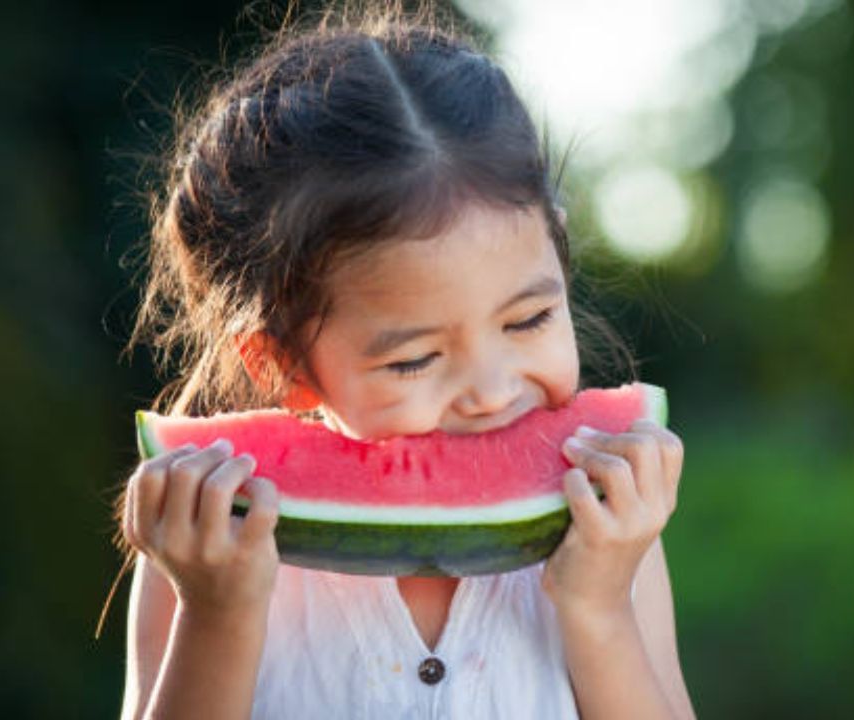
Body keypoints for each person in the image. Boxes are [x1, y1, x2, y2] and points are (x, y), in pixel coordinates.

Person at [115, 3, 695, 718]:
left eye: (531, 318)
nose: (489, 390)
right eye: (415, 360)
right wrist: (219, 615)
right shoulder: (203, 543)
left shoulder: (613, 525)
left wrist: (600, 606)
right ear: (282, 367)